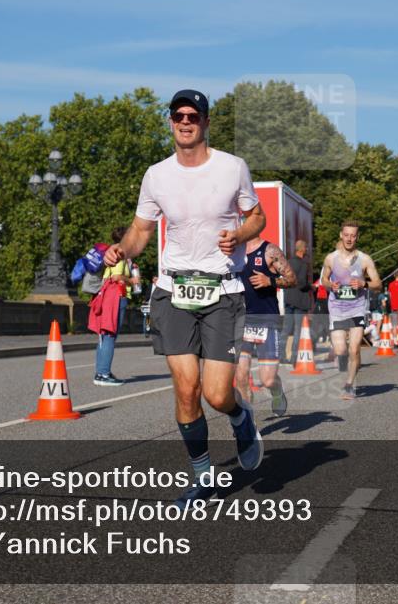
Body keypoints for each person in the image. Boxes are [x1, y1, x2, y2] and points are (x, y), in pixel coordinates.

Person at [103, 89, 266, 509]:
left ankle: (240, 416)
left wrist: (241, 235)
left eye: (194, 115)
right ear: (172, 121)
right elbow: (141, 229)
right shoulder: (157, 175)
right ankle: (203, 479)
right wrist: (123, 248)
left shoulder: (232, 168)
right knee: (187, 389)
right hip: (174, 290)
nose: (186, 121)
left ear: (206, 121)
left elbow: (257, 216)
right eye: (178, 115)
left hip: (222, 291)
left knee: (216, 394)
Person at [321, 220, 382, 400]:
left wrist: (364, 283)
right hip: (337, 308)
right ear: (341, 235)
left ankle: (349, 384)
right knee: (341, 351)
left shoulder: (365, 259)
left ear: (357, 237)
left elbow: (378, 284)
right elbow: (323, 280)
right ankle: (353, 368)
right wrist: (330, 285)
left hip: (356, 308)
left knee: (354, 349)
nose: (349, 239)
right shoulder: (331, 258)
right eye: (346, 235)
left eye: (353, 236)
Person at [235, 234, 296, 415]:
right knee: (241, 376)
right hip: (240, 321)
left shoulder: (270, 251)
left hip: (266, 319)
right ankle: (248, 425)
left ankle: (277, 391)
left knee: (268, 380)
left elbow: (292, 279)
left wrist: (269, 281)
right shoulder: (233, 251)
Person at [93, 226, 135, 385]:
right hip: (116, 296)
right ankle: (103, 374)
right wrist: (132, 280)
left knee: (104, 336)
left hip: (108, 296)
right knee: (110, 334)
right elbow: (117, 276)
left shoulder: (111, 252)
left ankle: (102, 371)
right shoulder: (120, 254)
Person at [282, 240, 312, 365]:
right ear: (302, 249)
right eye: (306, 247)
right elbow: (302, 284)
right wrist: (311, 287)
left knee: (285, 329)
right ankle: (294, 358)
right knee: (297, 330)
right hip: (299, 301)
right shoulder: (304, 264)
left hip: (288, 299)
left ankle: (280, 356)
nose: (307, 249)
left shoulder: (288, 263)